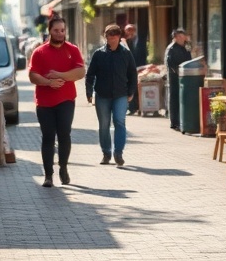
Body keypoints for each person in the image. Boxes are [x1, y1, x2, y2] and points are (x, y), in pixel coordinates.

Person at [28, 16, 85, 187]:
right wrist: (48, 82)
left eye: (62, 30)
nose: (60, 34)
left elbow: (80, 72)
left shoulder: (72, 50)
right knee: (48, 137)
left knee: (64, 135)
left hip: (66, 99)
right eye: (56, 31)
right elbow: (32, 75)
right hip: (44, 102)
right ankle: (48, 175)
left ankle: (63, 168)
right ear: (49, 31)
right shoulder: (39, 52)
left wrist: (59, 75)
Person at [85, 24, 137, 166]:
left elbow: (133, 73)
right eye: (110, 34)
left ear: (119, 37)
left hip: (121, 94)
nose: (113, 37)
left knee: (120, 122)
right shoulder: (99, 54)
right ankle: (106, 153)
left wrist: (131, 92)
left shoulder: (126, 54)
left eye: (115, 34)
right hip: (102, 95)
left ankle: (118, 153)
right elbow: (90, 75)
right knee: (104, 125)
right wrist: (89, 92)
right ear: (105, 37)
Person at [165, 28, 191, 130]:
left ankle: (183, 120)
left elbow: (189, 59)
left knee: (183, 98)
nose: (181, 38)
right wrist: (177, 72)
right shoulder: (171, 49)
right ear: (175, 38)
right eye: (179, 36)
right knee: (175, 98)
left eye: (183, 36)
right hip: (175, 77)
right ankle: (174, 122)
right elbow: (170, 63)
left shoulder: (186, 47)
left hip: (185, 76)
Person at [123, 23, 147, 114]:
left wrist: (144, 66)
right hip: (130, 68)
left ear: (134, 31)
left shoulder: (141, 41)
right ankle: (132, 108)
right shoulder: (126, 42)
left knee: (139, 87)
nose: (129, 32)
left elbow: (144, 54)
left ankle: (140, 107)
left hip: (140, 66)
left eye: (131, 30)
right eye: (127, 31)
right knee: (131, 87)